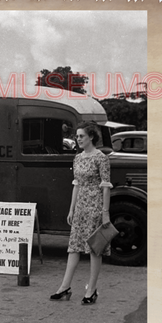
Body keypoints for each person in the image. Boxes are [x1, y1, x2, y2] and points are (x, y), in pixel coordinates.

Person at [50, 122, 112, 305]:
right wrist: (71, 208)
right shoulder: (77, 158)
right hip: (80, 208)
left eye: (81, 136)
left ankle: (91, 290)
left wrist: (105, 212)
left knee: (95, 247)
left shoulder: (101, 158)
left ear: (91, 137)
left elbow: (106, 187)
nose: (78, 139)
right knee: (74, 246)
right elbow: (76, 184)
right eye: (76, 136)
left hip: (95, 205)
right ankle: (64, 287)